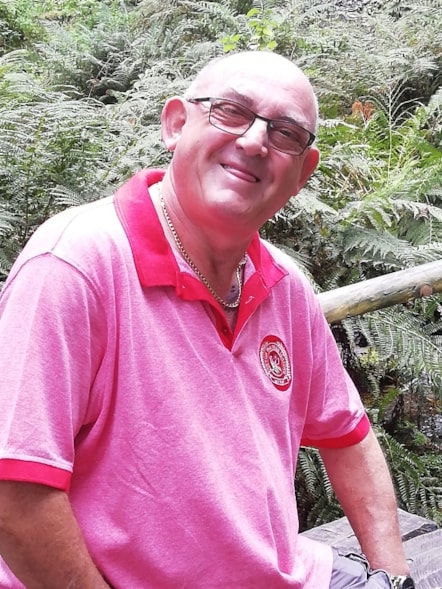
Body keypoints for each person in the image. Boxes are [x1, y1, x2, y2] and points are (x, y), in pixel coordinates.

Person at [0, 51, 414, 589]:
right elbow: (15, 492)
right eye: (231, 111)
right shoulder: (75, 265)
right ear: (176, 124)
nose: (253, 141)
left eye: (285, 133)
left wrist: (395, 576)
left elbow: (347, 434)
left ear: (301, 175)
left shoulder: (285, 286)